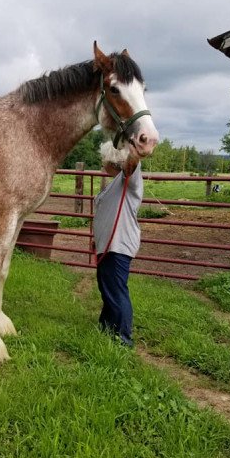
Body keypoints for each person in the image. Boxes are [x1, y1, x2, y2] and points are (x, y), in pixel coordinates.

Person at [93, 149, 143, 348]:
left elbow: (132, 162)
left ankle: (123, 338)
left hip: (118, 244)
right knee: (108, 287)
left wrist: (132, 143)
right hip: (107, 245)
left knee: (116, 289)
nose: (101, 163)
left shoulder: (127, 179)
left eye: (103, 159)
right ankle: (106, 326)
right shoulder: (114, 183)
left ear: (111, 161)